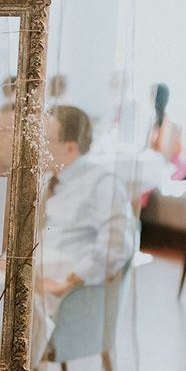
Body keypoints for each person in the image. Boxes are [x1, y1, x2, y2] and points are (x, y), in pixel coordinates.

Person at [41, 105, 136, 307]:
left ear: (70, 147)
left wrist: (70, 281)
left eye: (46, 140)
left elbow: (116, 246)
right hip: (37, 277)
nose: (39, 146)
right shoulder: (49, 180)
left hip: (66, 294)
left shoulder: (103, 184)